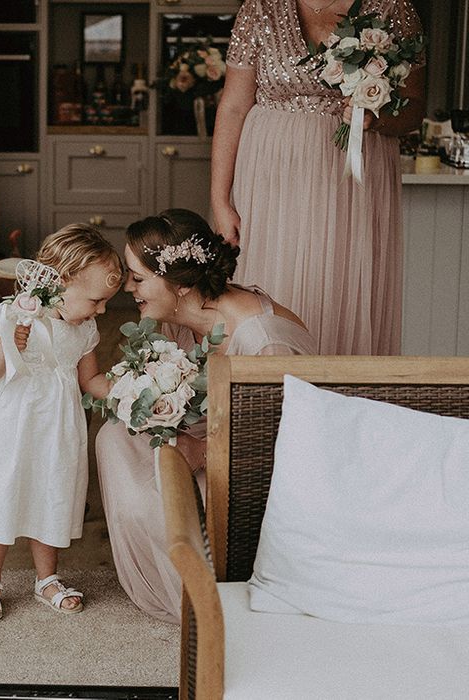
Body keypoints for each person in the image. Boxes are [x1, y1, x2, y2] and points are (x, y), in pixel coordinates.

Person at [96, 208, 316, 623]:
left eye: (138, 278)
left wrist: (201, 450)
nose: (129, 288)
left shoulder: (261, 341)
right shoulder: (179, 317)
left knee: (157, 488)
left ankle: (207, 599)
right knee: (116, 435)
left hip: (259, 462)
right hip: (207, 432)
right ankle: (173, 586)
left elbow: (287, 436)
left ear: (180, 284)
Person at [0, 224, 122, 621]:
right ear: (62, 280)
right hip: (7, 422)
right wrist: (9, 342)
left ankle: (47, 579)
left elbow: (90, 380)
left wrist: (133, 387)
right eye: (96, 300)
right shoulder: (12, 314)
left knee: (50, 491)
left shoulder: (85, 328)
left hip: (56, 425)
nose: (101, 310)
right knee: (1, 491)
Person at [210, 0, 425, 355]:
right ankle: (268, 399)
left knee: (340, 289)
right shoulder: (261, 7)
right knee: (272, 285)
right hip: (270, 182)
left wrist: (377, 118)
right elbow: (233, 106)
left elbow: (414, 108)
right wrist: (221, 200)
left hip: (351, 180)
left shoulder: (391, 7)